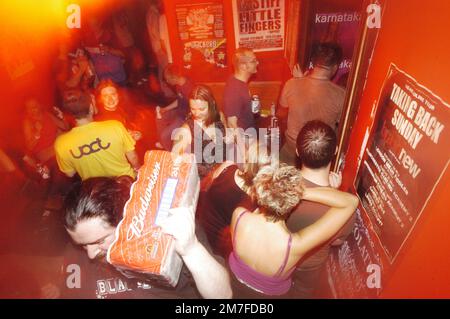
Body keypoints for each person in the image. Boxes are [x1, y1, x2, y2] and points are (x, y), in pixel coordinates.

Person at [61, 176, 232, 299]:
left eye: (99, 241)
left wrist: (191, 249)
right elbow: (70, 292)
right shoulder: (75, 255)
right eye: (82, 245)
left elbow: (224, 296)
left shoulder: (167, 233)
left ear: (125, 221)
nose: (90, 254)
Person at [229, 165, 359, 298]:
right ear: (293, 203)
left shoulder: (239, 215)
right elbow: (351, 202)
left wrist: (276, 191)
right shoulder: (294, 247)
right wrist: (301, 192)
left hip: (234, 287)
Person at [286, 120, 355, 298]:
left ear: (297, 151)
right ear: (335, 151)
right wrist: (334, 192)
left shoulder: (280, 187)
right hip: (309, 267)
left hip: (280, 260)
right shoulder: (342, 209)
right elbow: (336, 241)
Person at [199, 141, 272, 257]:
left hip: (200, 220)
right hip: (216, 240)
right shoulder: (253, 205)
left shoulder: (227, 166)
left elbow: (207, 185)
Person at [278, 42, 345, 165]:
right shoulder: (341, 95)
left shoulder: (291, 84)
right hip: (318, 157)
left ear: (313, 64)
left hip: (290, 151)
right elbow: (343, 129)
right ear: (335, 68)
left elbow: (281, 114)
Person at [54, 90, 140, 180]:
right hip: (126, 182)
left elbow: (70, 173)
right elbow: (133, 158)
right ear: (91, 108)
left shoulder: (61, 143)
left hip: (96, 190)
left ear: (68, 114)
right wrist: (138, 170)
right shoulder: (115, 126)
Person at [171, 85, 226, 179]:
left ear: (212, 103)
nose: (196, 113)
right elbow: (173, 160)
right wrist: (182, 159)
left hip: (225, 172)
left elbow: (227, 139)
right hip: (204, 183)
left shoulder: (219, 117)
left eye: (201, 109)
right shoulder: (185, 131)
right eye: (193, 109)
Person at [155, 64, 195, 150]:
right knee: (159, 118)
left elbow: (194, 111)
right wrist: (165, 109)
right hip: (178, 112)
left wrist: (187, 125)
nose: (166, 81)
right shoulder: (179, 84)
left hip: (184, 118)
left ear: (174, 78)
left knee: (164, 135)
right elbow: (179, 100)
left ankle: (172, 153)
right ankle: (164, 143)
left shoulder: (189, 89)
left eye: (167, 79)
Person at [223, 47, 258, 133]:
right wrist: (244, 145)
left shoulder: (239, 82)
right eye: (253, 61)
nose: (257, 62)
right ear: (243, 66)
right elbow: (232, 124)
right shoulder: (234, 89)